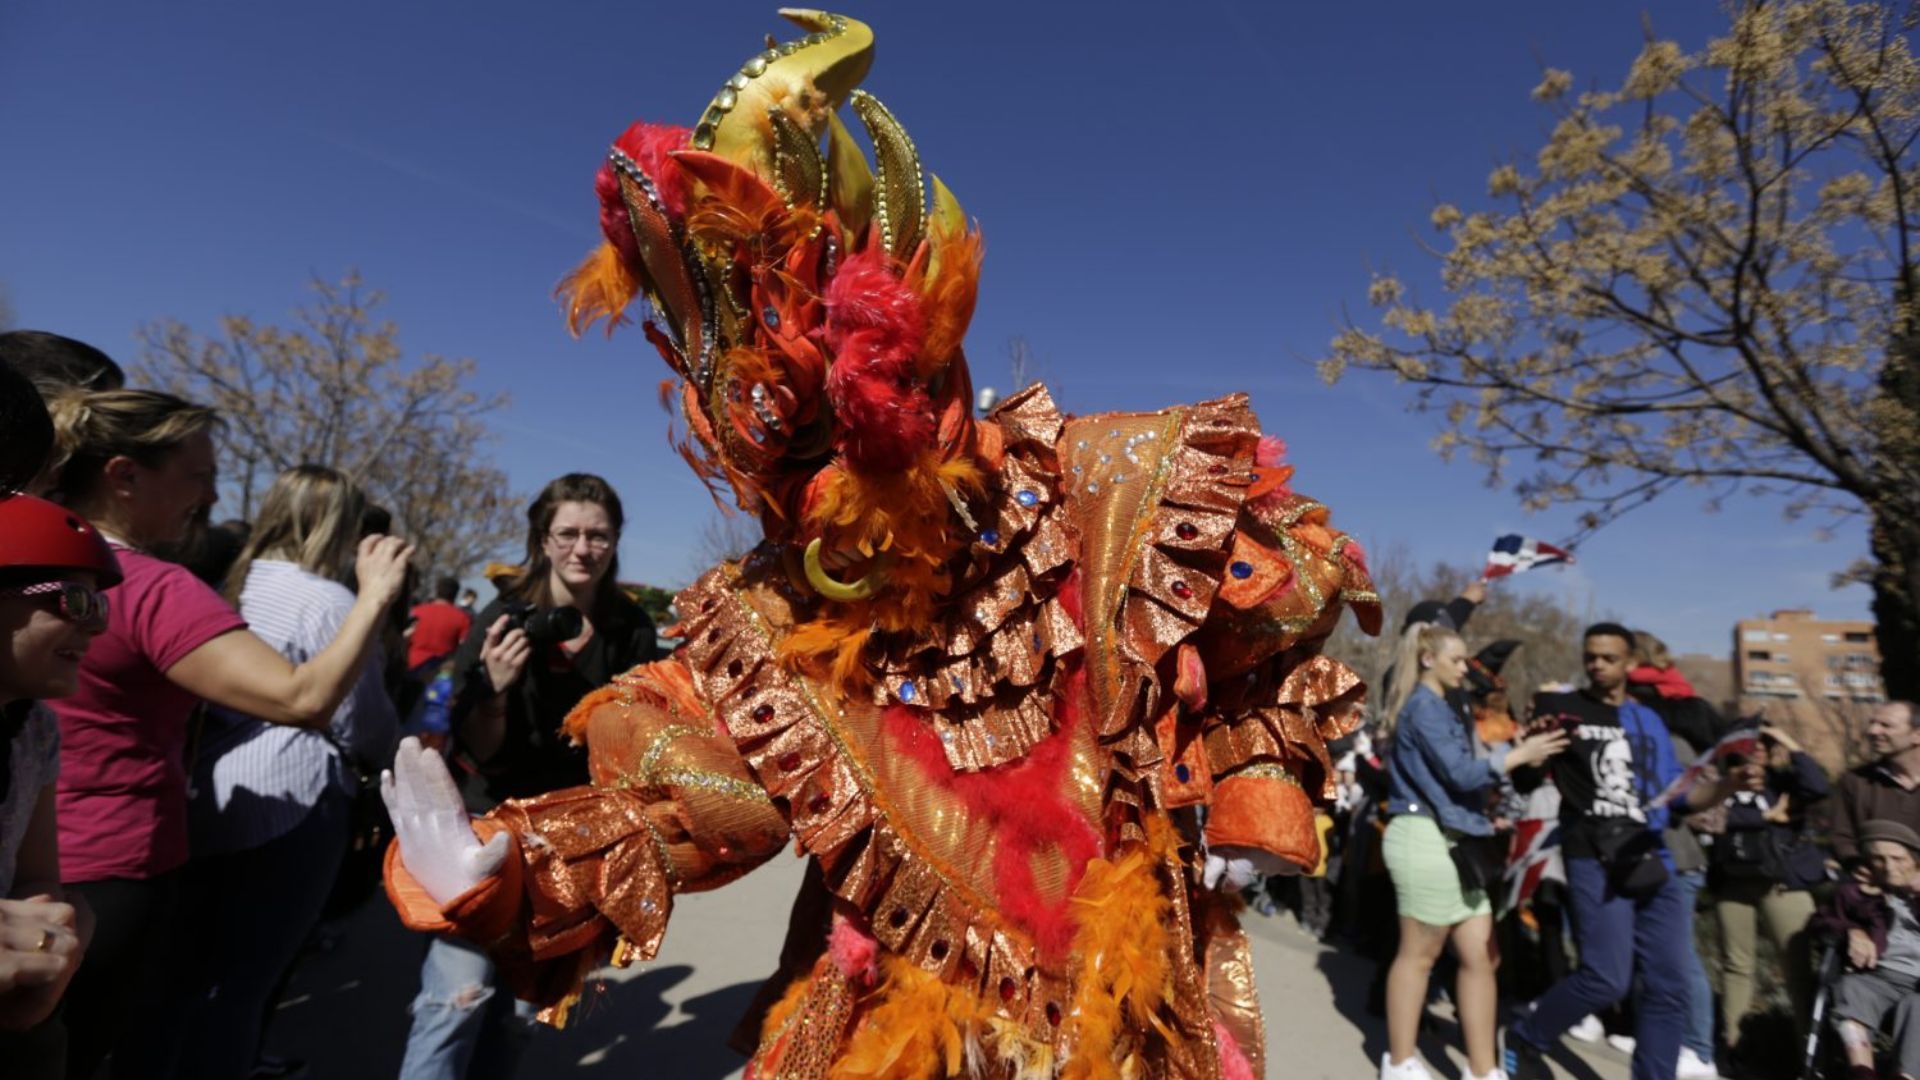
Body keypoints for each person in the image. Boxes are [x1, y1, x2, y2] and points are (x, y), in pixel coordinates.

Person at [379, 13, 1386, 1077]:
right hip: (895, 1011)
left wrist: (1242, 784)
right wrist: (515, 866)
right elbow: (695, 793)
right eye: (789, 458)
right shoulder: (767, 616)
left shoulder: (1099, 489)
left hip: (1117, 1002)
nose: (831, 499)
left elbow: (1274, 599)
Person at [39, 388, 413, 1079]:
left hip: (32, 856)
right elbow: (304, 698)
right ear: (125, 476)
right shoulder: (152, 588)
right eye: (199, 476)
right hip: (118, 868)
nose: (210, 498)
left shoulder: (31, 568)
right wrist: (376, 597)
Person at [396, 473, 656, 1080]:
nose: (582, 548)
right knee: (454, 1002)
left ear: (616, 542)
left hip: (568, 846)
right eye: (567, 533)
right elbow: (480, 752)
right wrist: (494, 693)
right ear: (542, 540)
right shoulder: (504, 618)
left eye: (598, 535)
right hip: (484, 832)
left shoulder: (629, 629)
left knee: (519, 1014)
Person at [157, 466, 403, 1080]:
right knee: (244, 985)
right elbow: (360, 718)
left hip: (208, 791)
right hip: (296, 803)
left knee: (181, 979)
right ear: (340, 526)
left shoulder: (228, 581)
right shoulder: (330, 601)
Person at [1504, 623, 1765, 1080]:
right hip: (1593, 857)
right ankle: (1528, 1035)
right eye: (1591, 656)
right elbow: (1525, 782)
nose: (1597, 665)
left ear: (1629, 664)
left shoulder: (1648, 720)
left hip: (1652, 858)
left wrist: (1728, 785)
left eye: (1608, 658)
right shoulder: (1563, 709)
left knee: (1669, 985)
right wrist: (1534, 747)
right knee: (1606, 977)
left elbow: (1679, 798)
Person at [1378, 625, 1567, 1080]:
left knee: (1482, 957)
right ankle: (1399, 1061)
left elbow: (1469, 771)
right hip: (1424, 835)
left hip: (1457, 840)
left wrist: (1516, 751)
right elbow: (1462, 774)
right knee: (1419, 954)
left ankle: (1484, 1070)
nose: (1467, 668)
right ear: (1429, 659)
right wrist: (1518, 757)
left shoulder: (1441, 706)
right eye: (1459, 660)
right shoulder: (1423, 706)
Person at [0, 491, 120, 1077]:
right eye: (73, 601)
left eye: (99, 608)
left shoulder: (35, 730)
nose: (92, 627)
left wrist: (53, 930)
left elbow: (35, 872)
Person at [1626, 631, 1726, 1079]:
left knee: (1680, 956)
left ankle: (1699, 1047)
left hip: (1677, 855)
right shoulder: (1681, 708)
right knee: (1653, 956)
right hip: (1653, 853)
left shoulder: (1668, 725)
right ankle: (1665, 1035)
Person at [1709, 721, 1829, 1056]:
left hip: (1782, 884)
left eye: (1762, 744)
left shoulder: (1783, 782)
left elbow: (1819, 786)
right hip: (1732, 884)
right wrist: (1763, 819)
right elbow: (1706, 819)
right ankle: (1734, 1049)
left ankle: (1810, 1055)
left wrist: (1786, 739)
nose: (1755, 749)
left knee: (1798, 972)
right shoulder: (1721, 784)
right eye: (1747, 744)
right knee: (1736, 966)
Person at [1807, 819, 1920, 1080]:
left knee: (1918, 1007)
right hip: (1878, 976)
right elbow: (1820, 920)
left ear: (1914, 859)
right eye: (1879, 859)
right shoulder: (1860, 892)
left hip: (1918, 985)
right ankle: (1863, 1073)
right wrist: (1851, 930)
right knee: (1851, 989)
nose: (1889, 867)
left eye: (1897, 858)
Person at [1833, 701, 1920, 875]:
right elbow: (1842, 836)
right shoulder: (1856, 781)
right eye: (1872, 723)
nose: (1872, 731)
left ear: (1917, 735)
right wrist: (1858, 866)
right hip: (1879, 890)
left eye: (1886, 725)